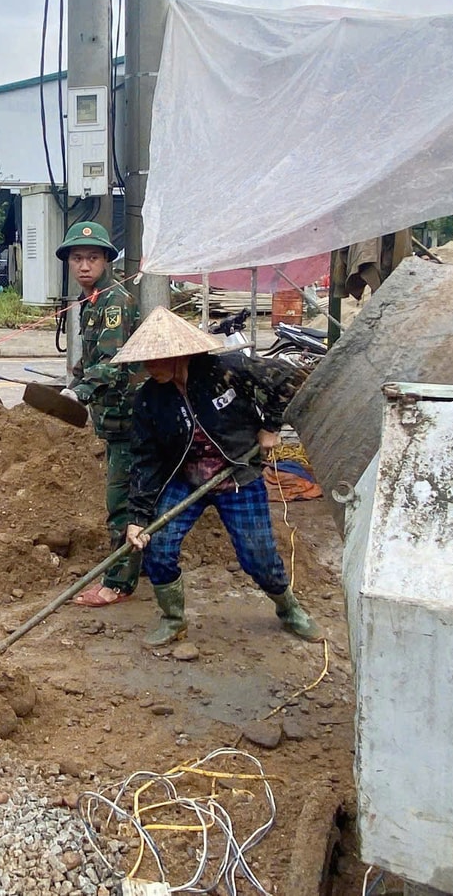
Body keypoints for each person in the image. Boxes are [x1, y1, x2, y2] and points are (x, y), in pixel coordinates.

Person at [114, 307, 319, 647]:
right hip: (186, 479)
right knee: (160, 546)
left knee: (258, 556)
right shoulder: (149, 400)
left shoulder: (226, 370)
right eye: (145, 361)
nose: (149, 368)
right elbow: (146, 461)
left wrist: (270, 427)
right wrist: (137, 518)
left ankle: (289, 609)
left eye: (156, 359)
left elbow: (290, 379)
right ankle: (173, 619)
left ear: (179, 353)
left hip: (237, 473)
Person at [55, 221, 144, 608]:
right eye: (77, 258)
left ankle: (118, 584)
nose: (84, 265)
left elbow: (111, 363)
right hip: (113, 421)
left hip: (129, 421)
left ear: (106, 260)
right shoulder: (91, 303)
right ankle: (143, 569)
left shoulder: (114, 303)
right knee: (131, 501)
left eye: (92, 258)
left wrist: (78, 392)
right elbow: (88, 360)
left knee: (121, 504)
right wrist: (73, 383)